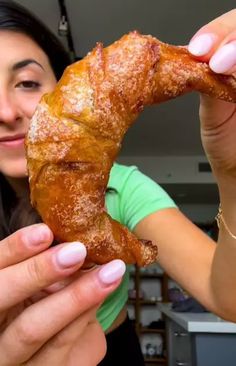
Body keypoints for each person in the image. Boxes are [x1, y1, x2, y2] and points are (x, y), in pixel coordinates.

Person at [0, 0, 236, 365]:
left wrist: (232, 171)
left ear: (64, 85)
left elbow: (228, 298)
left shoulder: (123, 188)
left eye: (27, 82)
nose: (5, 111)